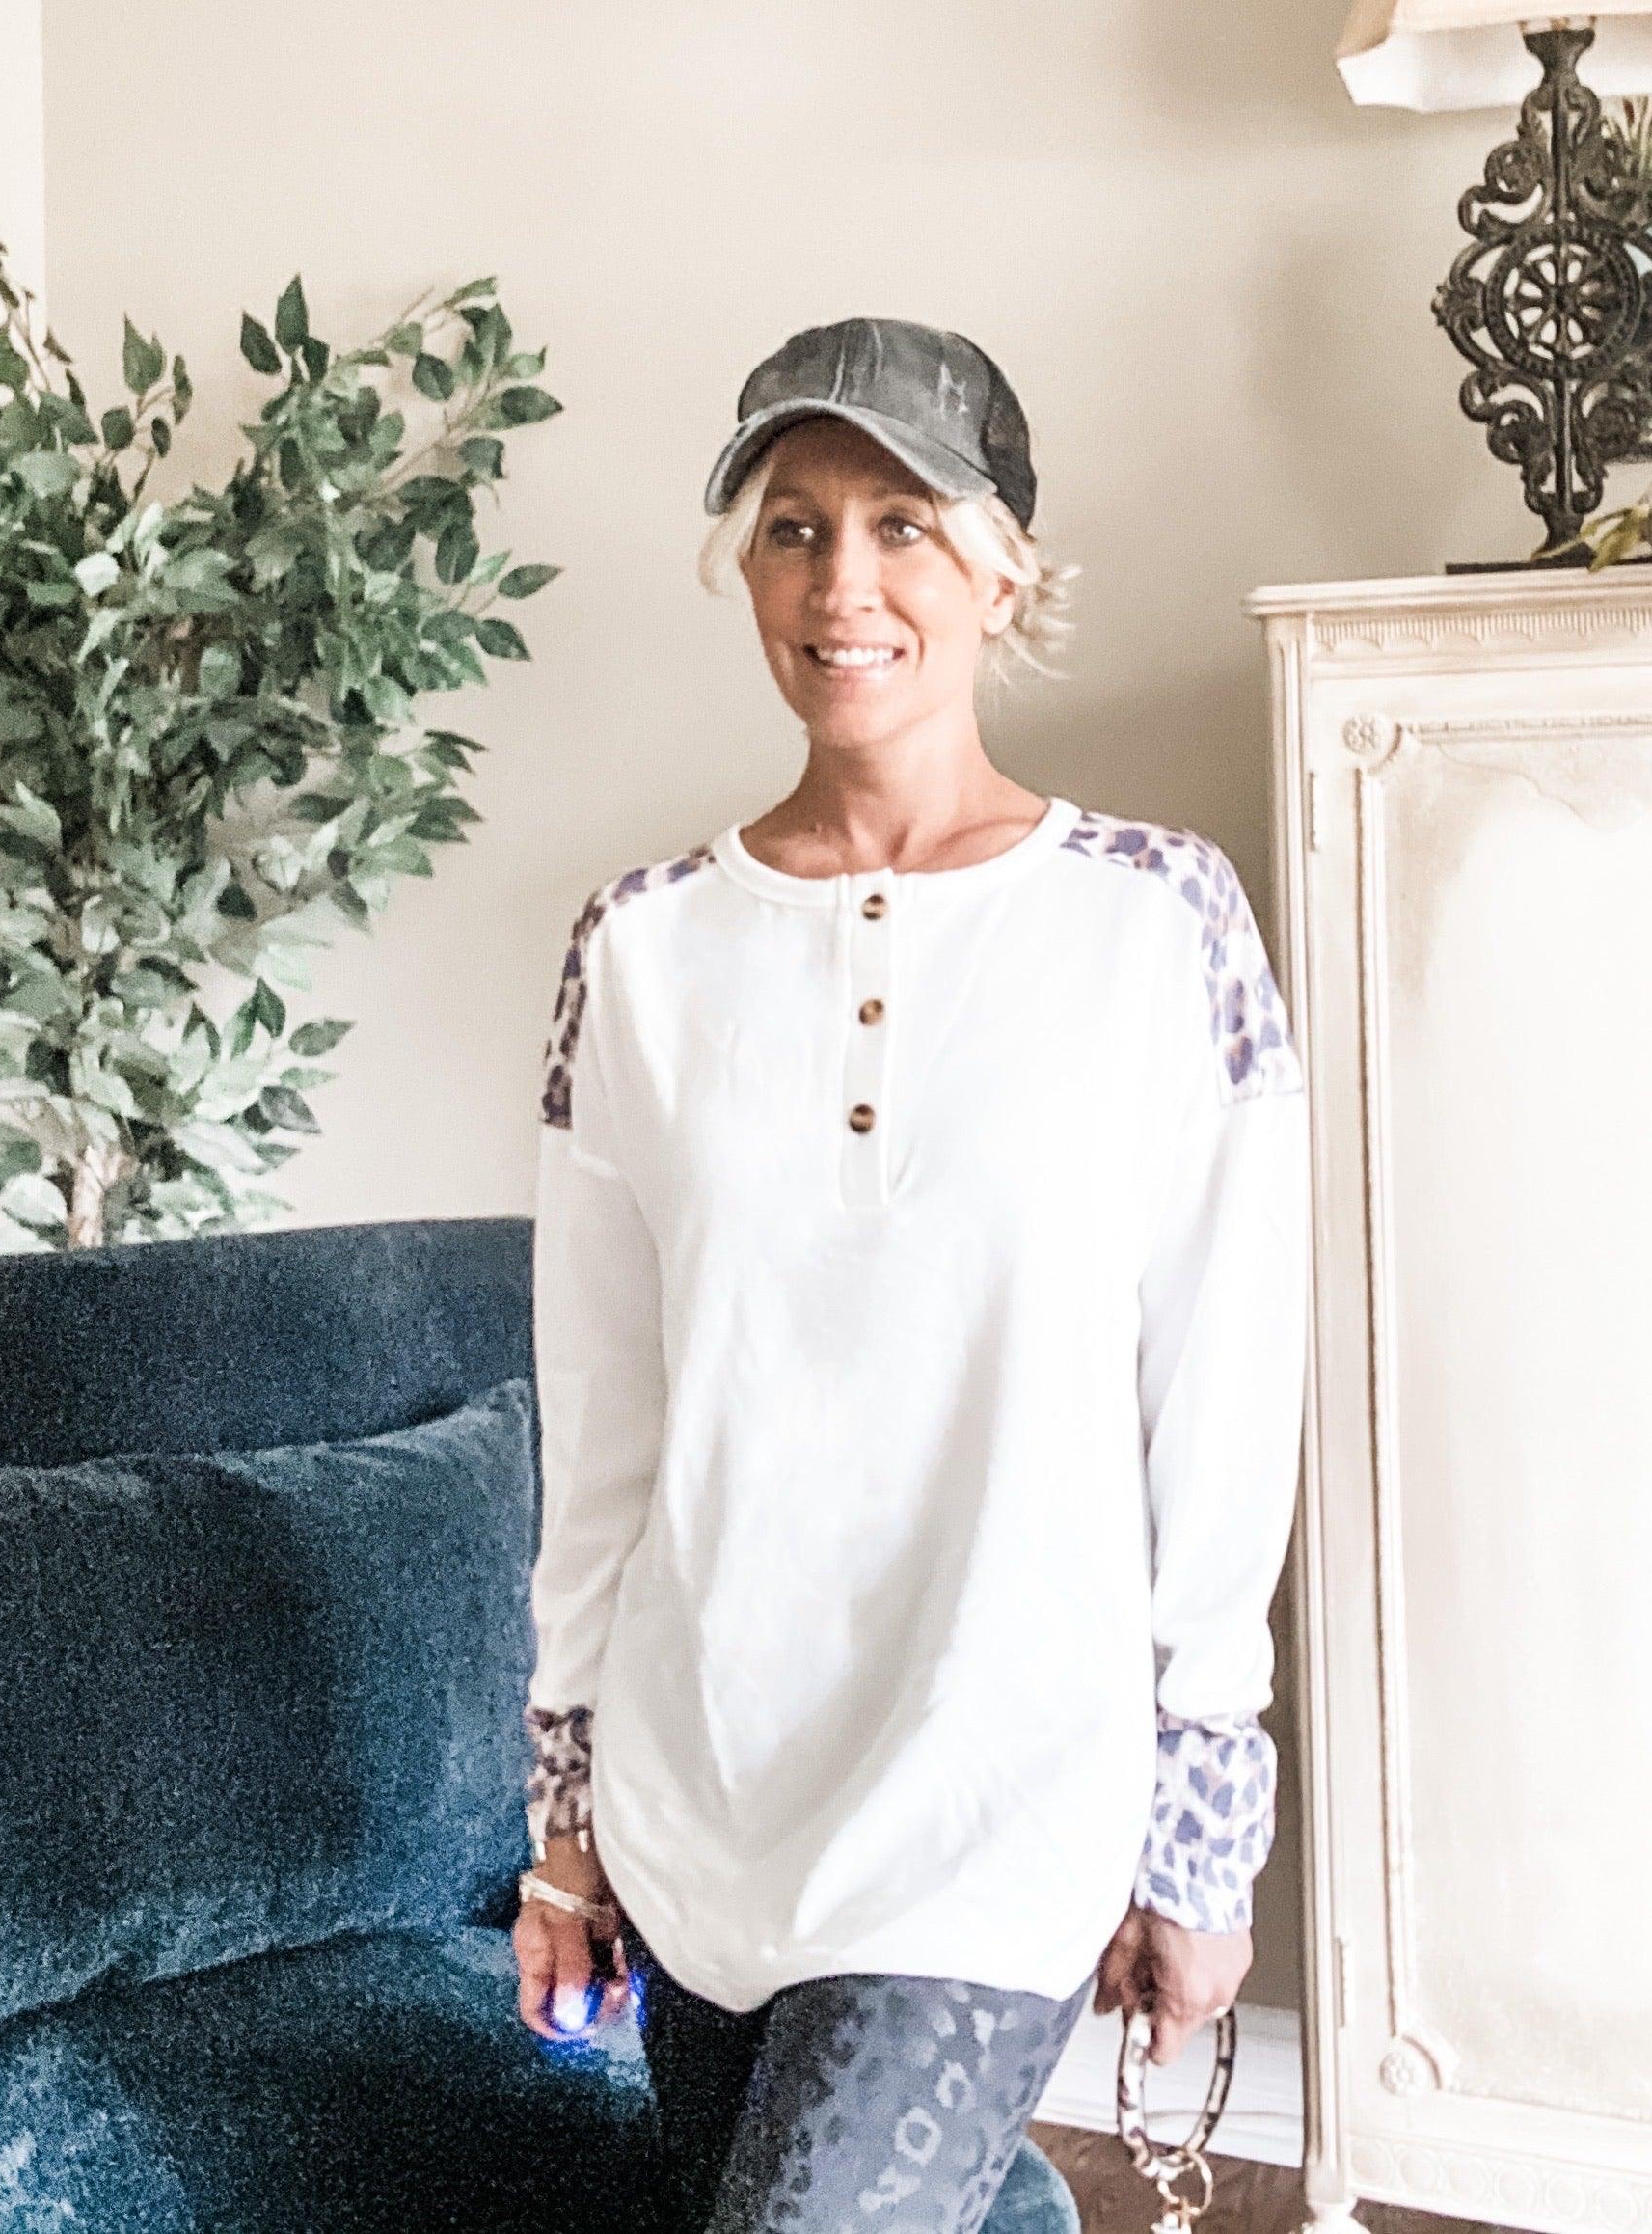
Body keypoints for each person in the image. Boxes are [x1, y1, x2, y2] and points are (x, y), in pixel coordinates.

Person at [512, 314, 1312, 2234]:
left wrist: (1204, 1826)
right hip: (705, 1811)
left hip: (998, 1804)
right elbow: (606, 1423)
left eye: (903, 526)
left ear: (1004, 572)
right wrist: (571, 1824)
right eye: (792, 528)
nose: (841, 584)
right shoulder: (639, 950)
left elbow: (1221, 1402)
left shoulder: (1157, 922)